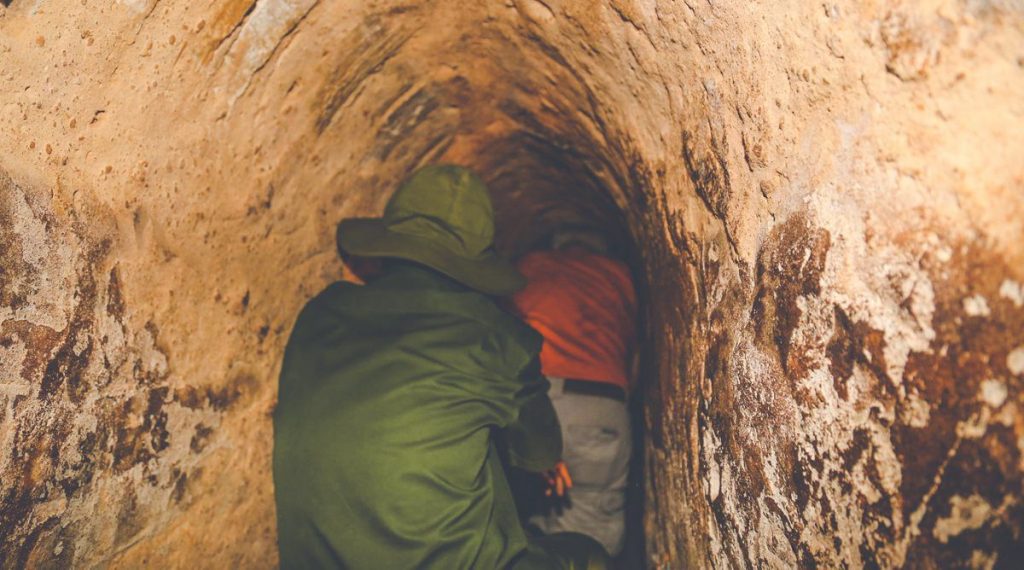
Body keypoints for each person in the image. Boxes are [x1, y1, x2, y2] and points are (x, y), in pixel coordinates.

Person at [273, 165, 610, 569]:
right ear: (476, 261)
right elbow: (540, 454)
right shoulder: (497, 335)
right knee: (587, 556)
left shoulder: (319, 314)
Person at [511, 227, 638, 558]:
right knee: (591, 519)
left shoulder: (530, 265)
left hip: (537, 400)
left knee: (524, 511)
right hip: (599, 406)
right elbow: (633, 347)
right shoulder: (619, 275)